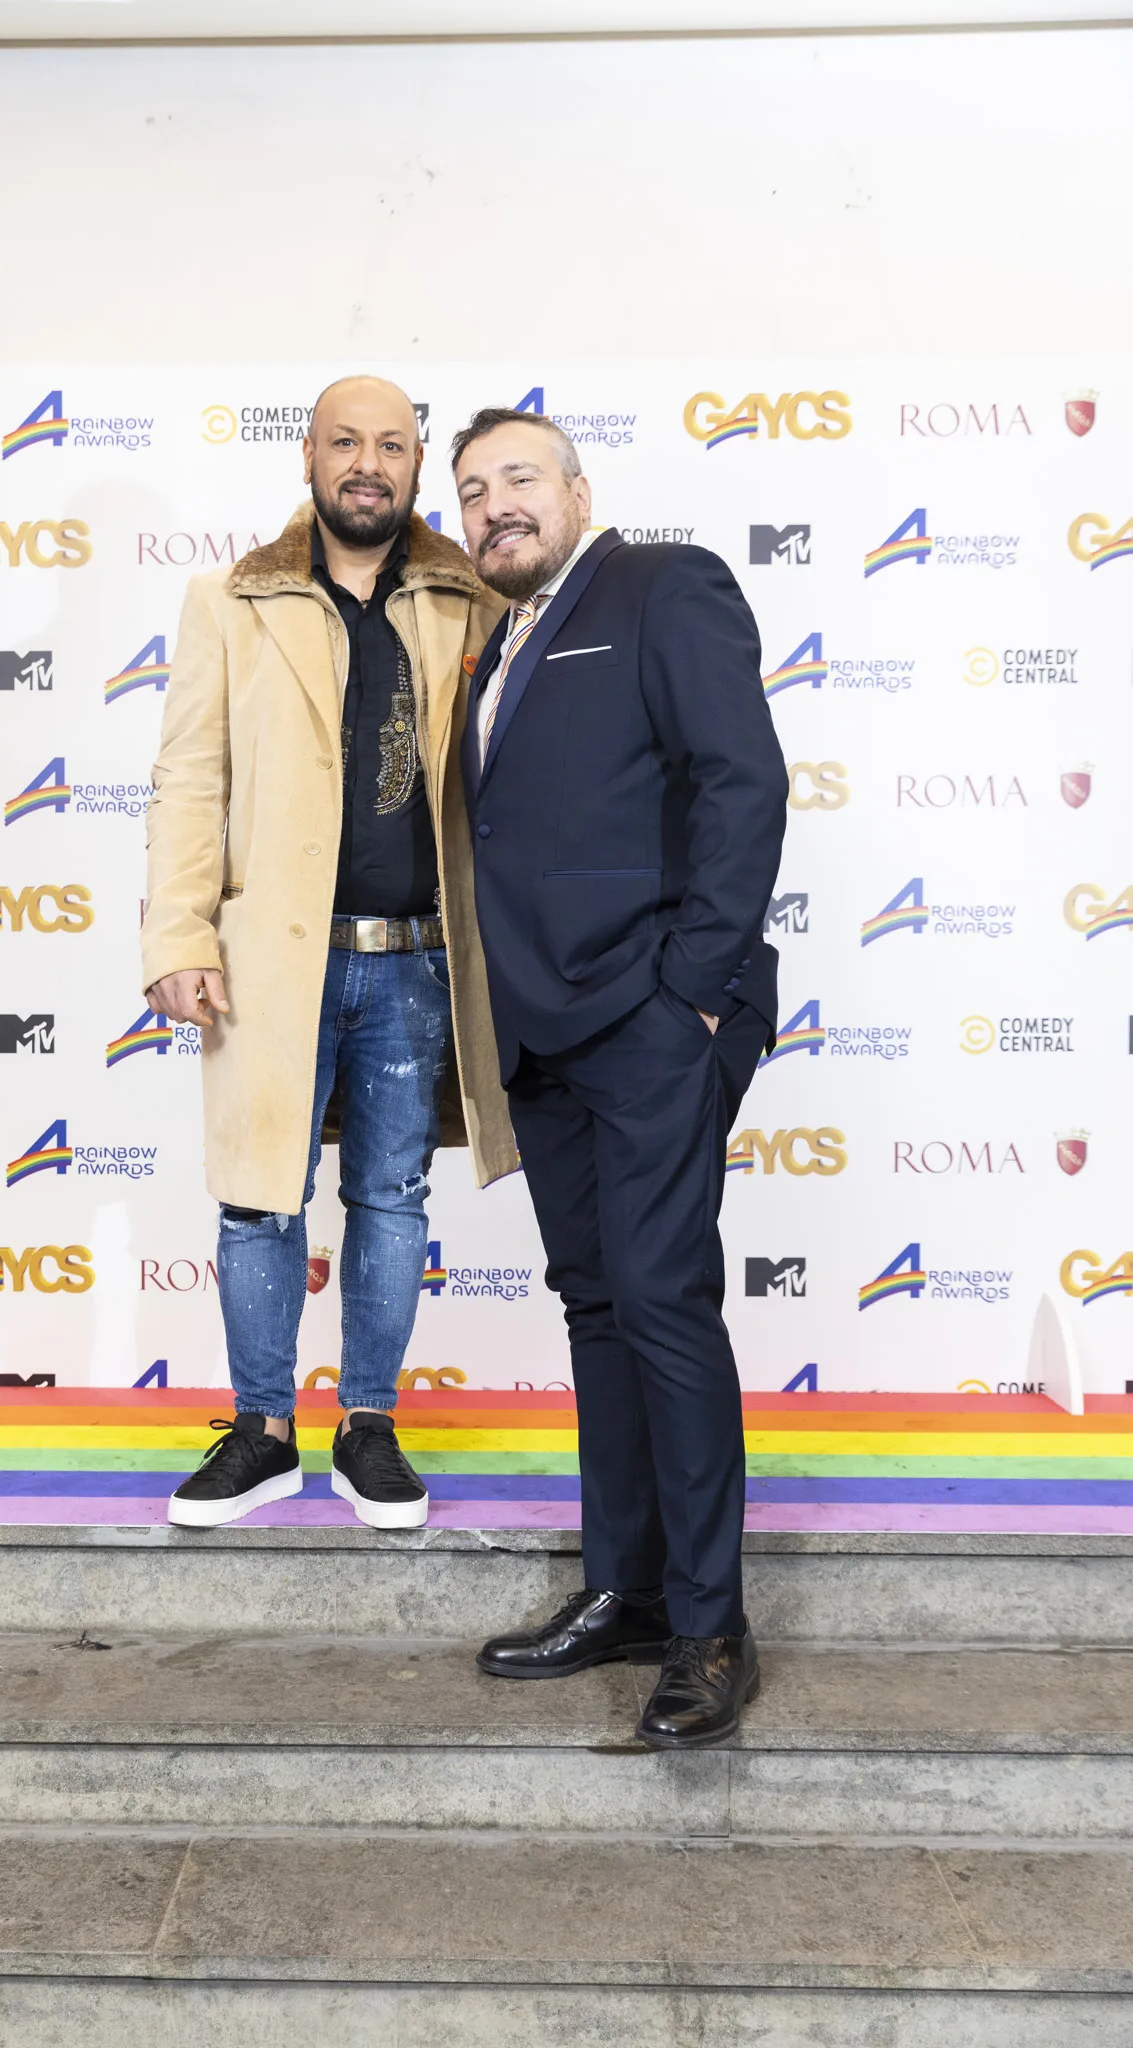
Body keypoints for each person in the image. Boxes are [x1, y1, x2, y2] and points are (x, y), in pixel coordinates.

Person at [450, 406, 787, 1747]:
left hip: (650, 1012)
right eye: (472, 490)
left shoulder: (662, 585)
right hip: (539, 1027)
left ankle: (711, 1628)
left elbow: (742, 781)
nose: (495, 505)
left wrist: (693, 988)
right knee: (596, 1304)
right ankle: (629, 1588)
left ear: (579, 493)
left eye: (519, 477)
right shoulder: (492, 643)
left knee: (660, 1301)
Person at [141, 377, 516, 1531]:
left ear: (417, 465)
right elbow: (189, 778)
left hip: (417, 962)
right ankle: (262, 1431)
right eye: (346, 441)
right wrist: (179, 930)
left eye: (391, 445)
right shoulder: (230, 599)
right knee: (258, 1198)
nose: (368, 463)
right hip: (269, 963)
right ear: (306, 454)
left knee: (392, 1196)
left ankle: (369, 1425)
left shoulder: (471, 600)